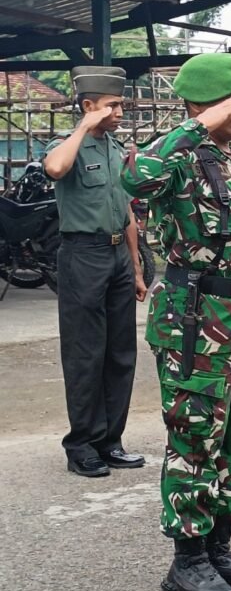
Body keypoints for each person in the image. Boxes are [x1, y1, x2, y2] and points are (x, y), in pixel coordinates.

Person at [121, 53, 231, 591]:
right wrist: (197, 125)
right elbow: (134, 177)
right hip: (197, 322)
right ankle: (186, 559)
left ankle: (219, 543)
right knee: (194, 436)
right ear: (207, 101)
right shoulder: (181, 156)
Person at [44, 66, 146, 478]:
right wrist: (84, 125)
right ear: (88, 106)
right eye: (112, 105)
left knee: (121, 352)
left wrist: (137, 269)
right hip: (82, 255)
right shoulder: (67, 145)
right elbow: (55, 168)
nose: (121, 111)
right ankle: (82, 443)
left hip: (118, 255)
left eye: (121, 103)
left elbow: (126, 214)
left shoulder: (116, 149)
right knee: (86, 353)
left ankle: (111, 440)